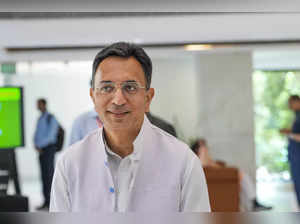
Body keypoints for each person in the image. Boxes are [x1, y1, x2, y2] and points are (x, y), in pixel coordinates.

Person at [50, 42, 210, 212]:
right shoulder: (70, 164)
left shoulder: (183, 163)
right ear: (93, 97)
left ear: (148, 98)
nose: (118, 100)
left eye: (130, 87)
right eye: (107, 88)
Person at [191, 138, 272, 211]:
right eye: (203, 146)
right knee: (241, 176)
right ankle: (253, 203)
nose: (206, 147)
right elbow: (204, 166)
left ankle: (252, 204)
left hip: (223, 176)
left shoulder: (208, 158)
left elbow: (217, 166)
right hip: (219, 178)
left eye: (205, 146)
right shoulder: (197, 159)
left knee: (241, 180)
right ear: (198, 148)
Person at [34, 98, 59, 210]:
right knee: (44, 176)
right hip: (41, 151)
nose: (37, 106)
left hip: (48, 150)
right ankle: (45, 201)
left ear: (44, 104)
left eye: (39, 104)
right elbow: (37, 134)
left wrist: (40, 145)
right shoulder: (40, 118)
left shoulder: (51, 118)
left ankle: (51, 202)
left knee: (49, 176)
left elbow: (51, 136)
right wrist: (36, 145)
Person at [280, 95, 300, 208]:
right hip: (295, 155)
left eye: (290, 103)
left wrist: (289, 134)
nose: (289, 106)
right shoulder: (296, 115)